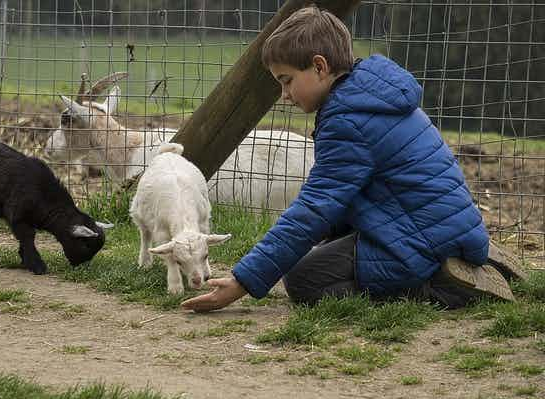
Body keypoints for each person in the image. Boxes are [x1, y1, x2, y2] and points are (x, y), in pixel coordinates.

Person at [181, 5, 510, 313]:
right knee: (315, 255)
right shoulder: (370, 94)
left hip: (421, 235)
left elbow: (315, 207)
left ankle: (444, 284)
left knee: (304, 280)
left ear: (320, 67)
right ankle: (466, 254)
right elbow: (345, 197)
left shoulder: (347, 120)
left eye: (287, 80)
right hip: (437, 223)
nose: (284, 95)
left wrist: (243, 282)